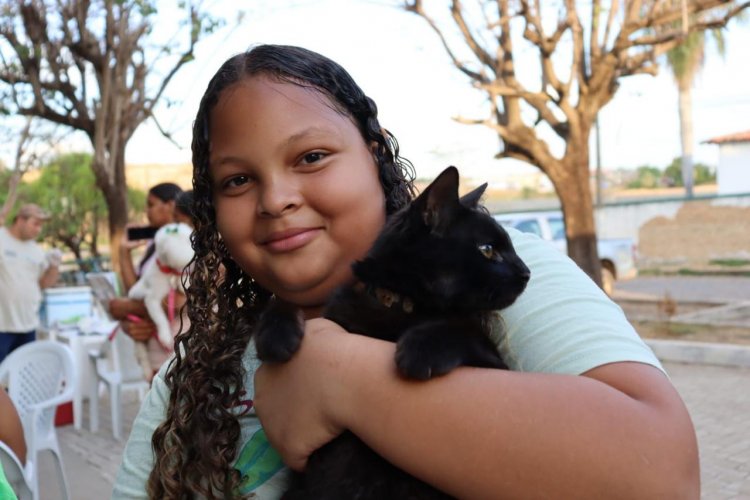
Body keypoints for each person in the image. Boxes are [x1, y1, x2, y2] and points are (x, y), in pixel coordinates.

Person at [113, 45, 699, 499]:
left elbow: (664, 477)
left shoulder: (489, 274)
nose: (276, 199)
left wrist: (340, 375)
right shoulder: (192, 376)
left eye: (311, 157)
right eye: (237, 180)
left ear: (376, 151)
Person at [108, 183, 186, 375]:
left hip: (176, 342)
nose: (147, 211)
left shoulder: (182, 242)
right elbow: (136, 289)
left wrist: (125, 308)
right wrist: (124, 252)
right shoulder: (155, 242)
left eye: (151, 205)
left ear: (170, 205)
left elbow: (179, 299)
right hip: (155, 346)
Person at [0, 203, 61, 363]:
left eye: (41, 225)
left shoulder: (36, 251)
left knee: (22, 376)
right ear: (20, 220)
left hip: (28, 324)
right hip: (3, 324)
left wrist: (54, 266)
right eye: (35, 223)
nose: (38, 229)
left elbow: (43, 284)